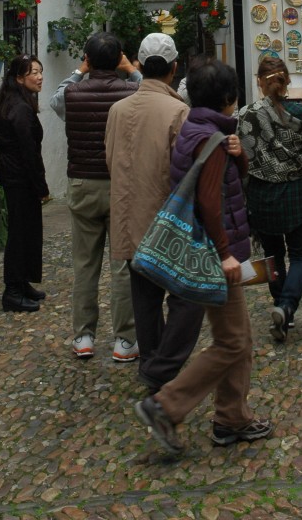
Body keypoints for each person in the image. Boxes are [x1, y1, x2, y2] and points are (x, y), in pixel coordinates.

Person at [135, 59, 273, 453]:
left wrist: (239, 154)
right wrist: (227, 254)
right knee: (232, 342)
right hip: (216, 254)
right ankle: (165, 405)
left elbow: (226, 183)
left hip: (215, 249)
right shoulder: (210, 140)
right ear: (230, 100)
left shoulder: (198, 129)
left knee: (238, 338)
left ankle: (232, 417)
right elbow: (211, 202)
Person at [106, 32, 202, 393]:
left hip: (130, 216)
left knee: (144, 298)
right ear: (174, 68)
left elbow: (109, 159)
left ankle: (151, 361)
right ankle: (163, 365)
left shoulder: (117, 110)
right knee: (184, 296)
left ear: (140, 66)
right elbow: (185, 172)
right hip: (167, 219)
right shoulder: (179, 111)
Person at [49, 33, 141, 362]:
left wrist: (78, 71)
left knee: (85, 264)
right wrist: (130, 70)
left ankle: (84, 337)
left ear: (87, 58)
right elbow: (150, 91)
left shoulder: (72, 93)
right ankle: (125, 340)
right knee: (121, 266)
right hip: (120, 184)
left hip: (83, 183)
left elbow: (56, 99)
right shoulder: (132, 91)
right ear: (119, 58)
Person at [238, 57, 302, 341]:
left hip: (262, 194)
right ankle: (287, 306)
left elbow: (243, 159)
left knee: (273, 256)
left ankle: (281, 305)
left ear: (260, 82)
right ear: (286, 81)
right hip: (295, 192)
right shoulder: (301, 113)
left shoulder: (247, 115)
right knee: (300, 254)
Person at [0, 54, 49, 313]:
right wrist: (41, 186)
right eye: (32, 72)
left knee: (27, 232)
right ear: (18, 78)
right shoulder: (20, 108)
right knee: (19, 234)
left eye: (39, 71)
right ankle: (12, 291)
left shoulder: (14, 102)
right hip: (20, 179)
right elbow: (29, 151)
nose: (38, 77)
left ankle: (22, 282)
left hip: (15, 176)